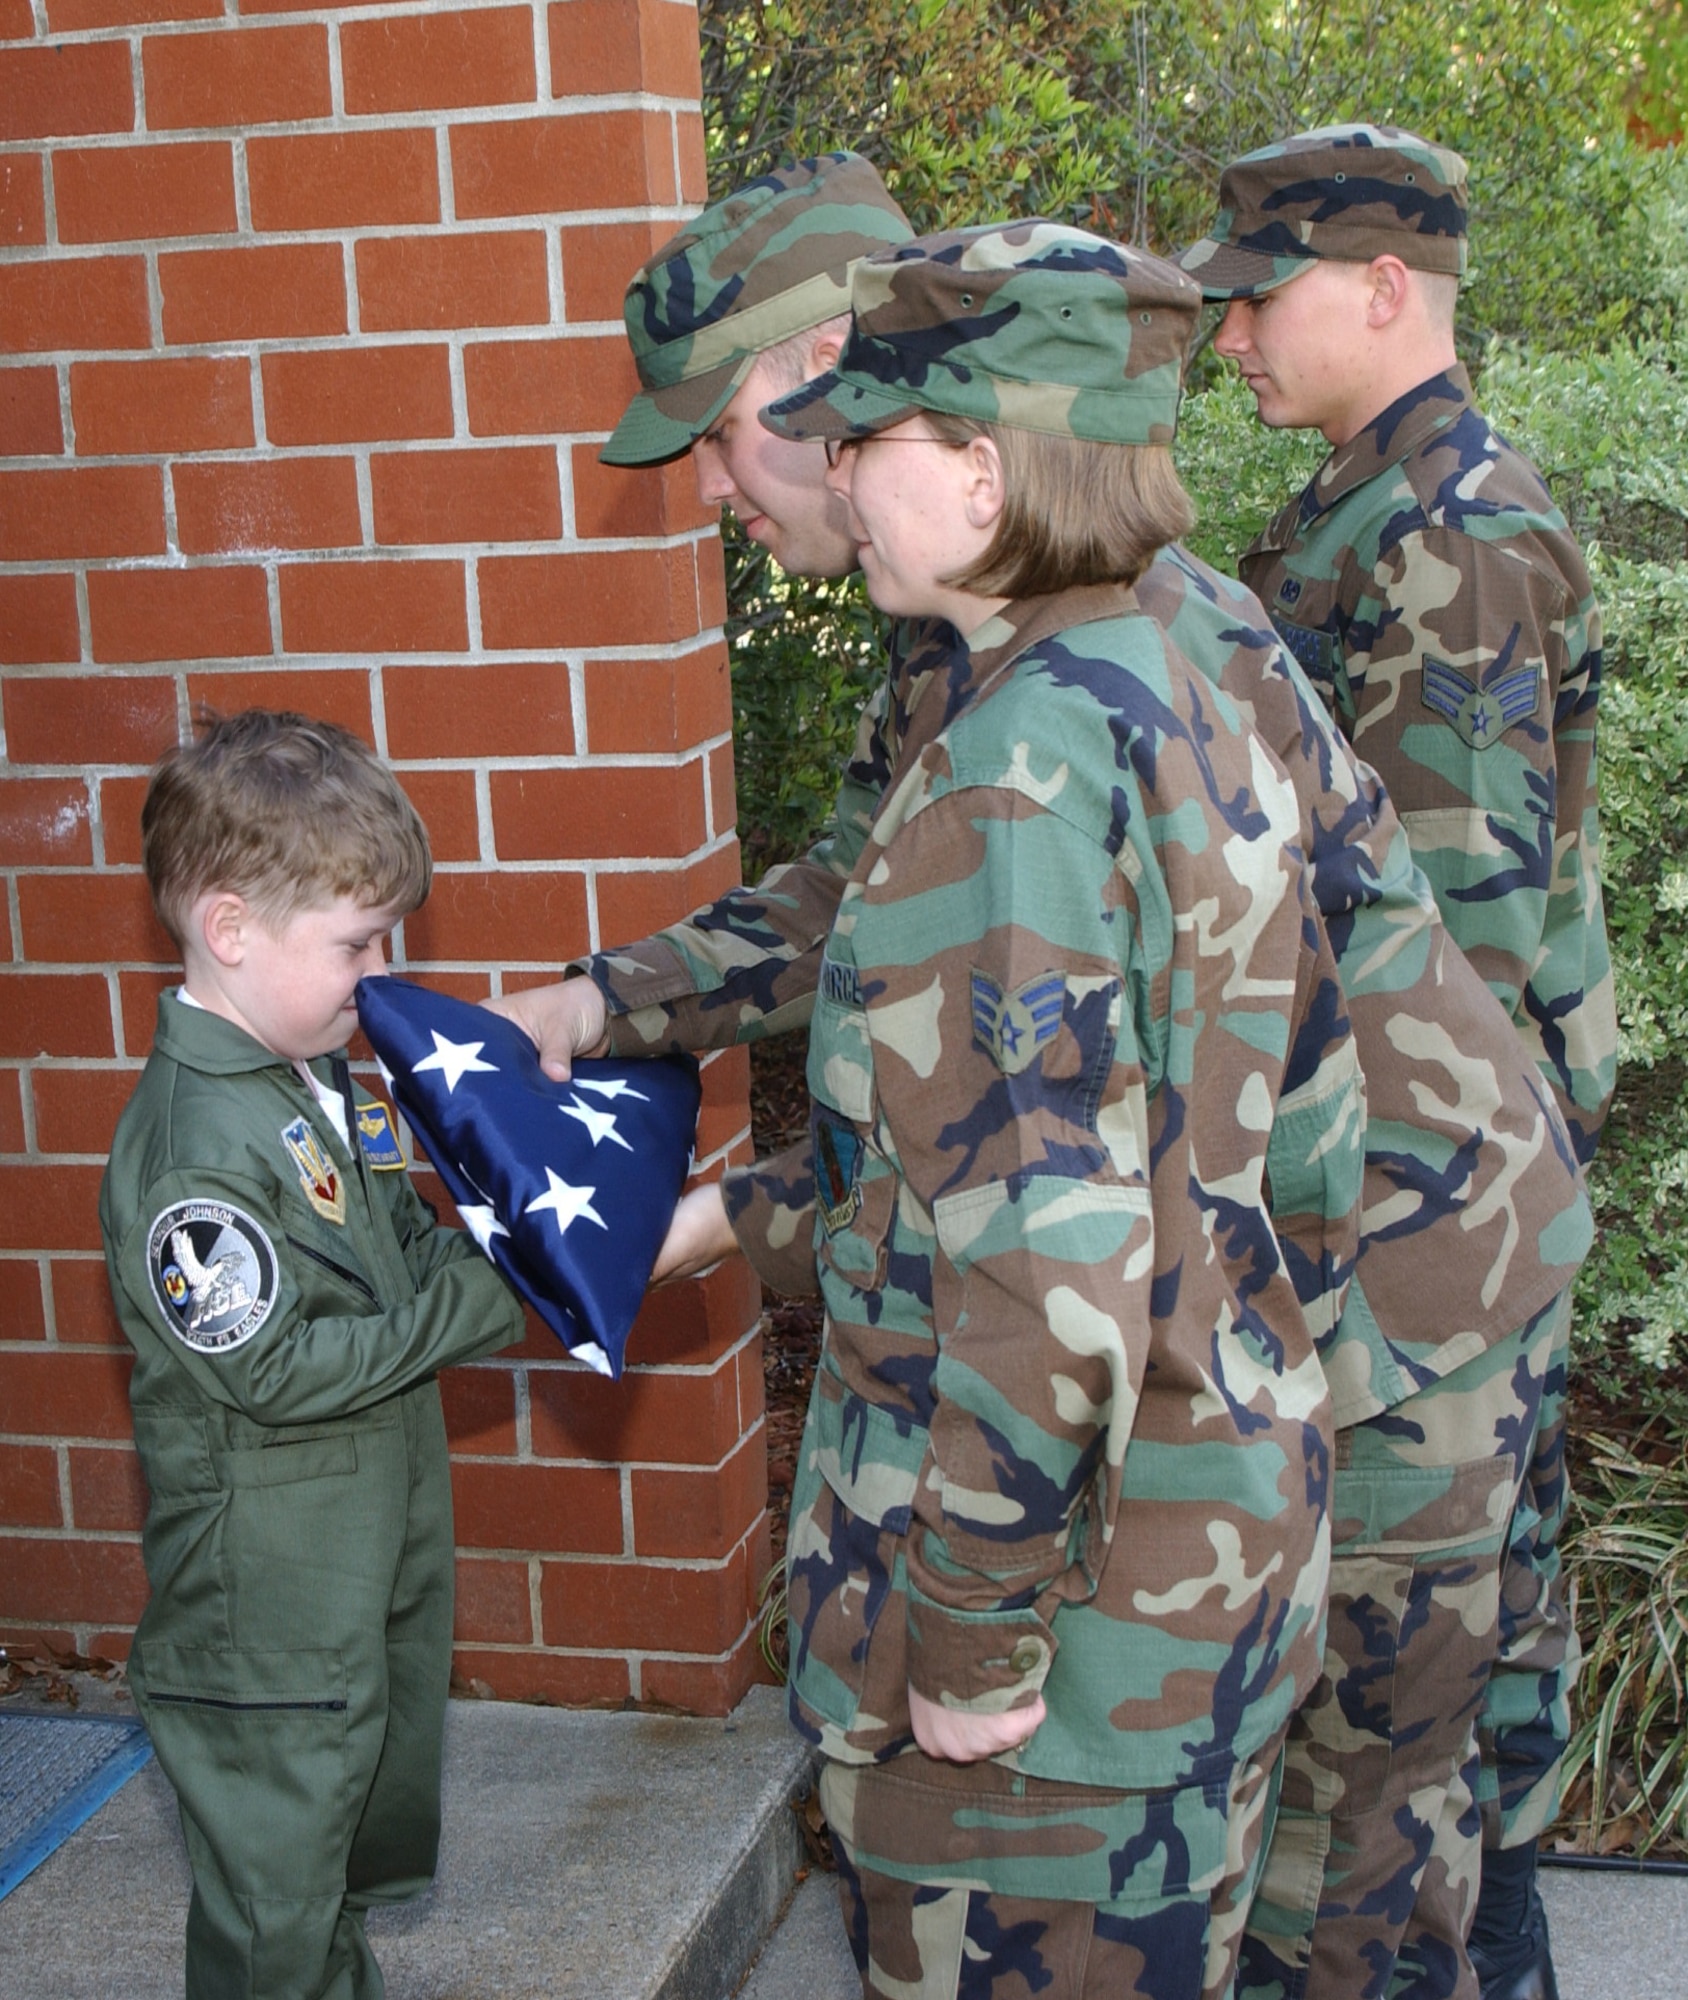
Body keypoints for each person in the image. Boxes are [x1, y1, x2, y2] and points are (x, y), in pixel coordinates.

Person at [498, 146, 1589, 1994]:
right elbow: (899, 949)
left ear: (857, 384)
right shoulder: (1021, 640)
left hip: (1393, 1312)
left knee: (1372, 1883)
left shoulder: (1071, 684)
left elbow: (1058, 1185)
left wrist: (968, 1614)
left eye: (727, 431)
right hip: (1244, 1309)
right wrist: (597, 1014)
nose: (717, 484)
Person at [764, 218, 1365, 1999]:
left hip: (1067, 1680)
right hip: (1211, 1551)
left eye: (860, 441)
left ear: (975, 465)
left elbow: (1043, 1284)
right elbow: (1307, 1146)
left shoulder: (1017, 773)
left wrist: (965, 1643)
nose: (836, 477)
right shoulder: (1181, 679)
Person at [1179, 123, 1617, 2000]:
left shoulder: (1451, 537)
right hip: (1439, 1214)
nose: (1226, 341)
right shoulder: (1368, 508)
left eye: (1256, 296)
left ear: (1381, 289)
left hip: (1431, 1220)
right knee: (1454, 1703)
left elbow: (1445, 954)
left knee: (1404, 1728)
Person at [99, 710, 526, 2000]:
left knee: (335, 1855)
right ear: (229, 930)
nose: (382, 973)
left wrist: (531, 1253)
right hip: (267, 1608)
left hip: (356, 1556)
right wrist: (505, 1303)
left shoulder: (311, 1081)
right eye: (357, 942)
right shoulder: (198, 1149)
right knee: (273, 1905)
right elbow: (274, 1372)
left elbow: (398, 1236)